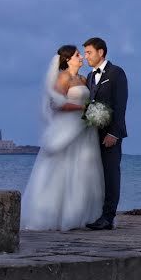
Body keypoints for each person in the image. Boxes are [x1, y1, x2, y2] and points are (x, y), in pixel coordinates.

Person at [20, 45, 105, 230]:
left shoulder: (83, 78)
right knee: (62, 168)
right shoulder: (63, 77)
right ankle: (54, 214)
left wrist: (95, 113)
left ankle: (80, 213)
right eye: (77, 55)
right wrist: (81, 108)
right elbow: (55, 104)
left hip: (85, 129)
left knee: (84, 170)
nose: (81, 57)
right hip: (67, 128)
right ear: (67, 60)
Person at [83, 37, 128, 231]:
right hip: (93, 134)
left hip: (110, 135)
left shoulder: (117, 73)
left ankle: (108, 217)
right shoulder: (90, 77)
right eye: (84, 53)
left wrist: (114, 134)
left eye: (89, 52)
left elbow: (120, 105)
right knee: (96, 176)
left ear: (101, 52)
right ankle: (95, 213)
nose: (86, 57)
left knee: (111, 175)